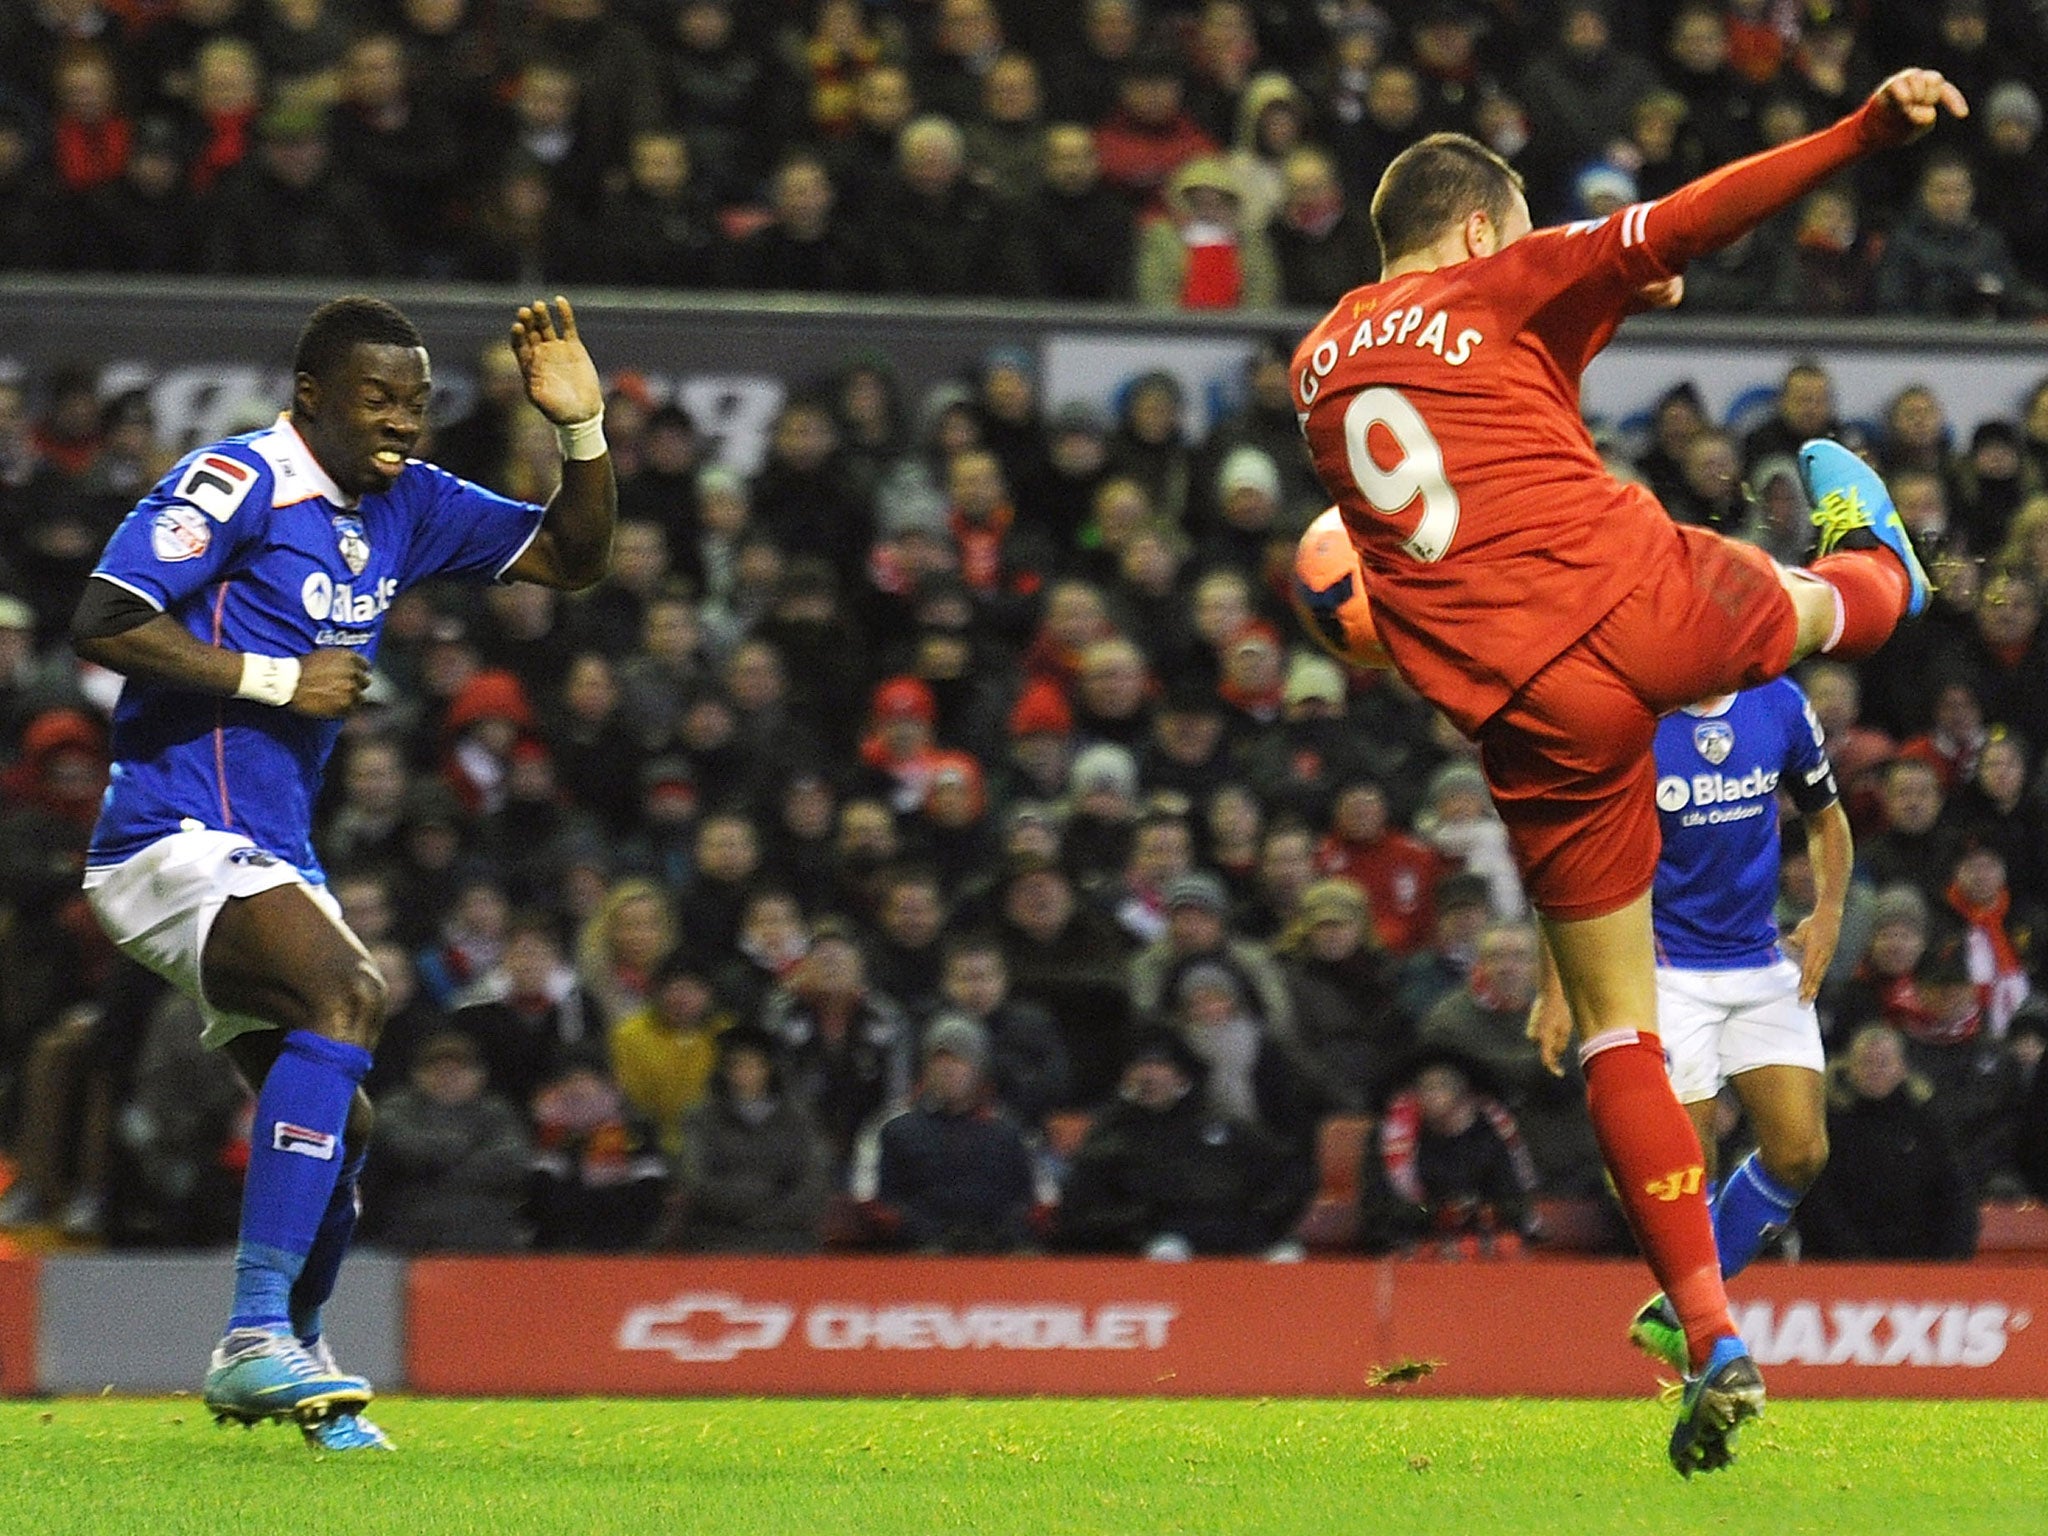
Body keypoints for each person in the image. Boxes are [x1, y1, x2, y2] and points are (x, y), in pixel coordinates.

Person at [1290, 72, 1964, 1475]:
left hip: (1531, 717)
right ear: (1482, 224)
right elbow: (1692, 220)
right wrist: (1859, 136)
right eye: (1519, 229)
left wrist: (1585, 315)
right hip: (1625, 598)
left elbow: (1464, 440)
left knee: (1614, 1029)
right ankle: (1884, 553)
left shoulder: (1318, 369)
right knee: (1839, 603)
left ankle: (1710, 1328)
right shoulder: (1505, 279)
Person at [70, 294, 615, 1451]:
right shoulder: (237, 480)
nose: (403, 423)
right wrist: (273, 681)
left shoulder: (407, 504)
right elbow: (106, 618)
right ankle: (254, 1332)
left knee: (344, 1116)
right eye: (379, 399)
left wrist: (580, 432)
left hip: (265, 844)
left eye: (417, 403)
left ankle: (301, 1365)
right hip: (167, 829)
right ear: (311, 395)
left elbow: (574, 559)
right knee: (349, 995)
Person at [1616, 680, 1852, 1381]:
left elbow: (1826, 815)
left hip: (1759, 959)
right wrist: (1561, 978)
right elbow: (1576, 855)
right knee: (1688, 1176)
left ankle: (1680, 1315)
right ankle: (1706, 1354)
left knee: (1801, 1152)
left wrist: (1830, 911)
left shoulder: (1778, 703)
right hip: (1666, 970)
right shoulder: (1636, 721)